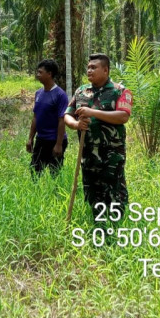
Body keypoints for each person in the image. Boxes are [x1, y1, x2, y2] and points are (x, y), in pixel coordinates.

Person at [64, 54, 133, 222]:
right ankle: (97, 221)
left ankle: (116, 224)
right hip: (88, 152)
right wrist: (76, 125)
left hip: (111, 153)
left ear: (106, 70)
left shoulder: (120, 91)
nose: (89, 70)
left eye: (94, 67)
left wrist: (92, 113)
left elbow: (123, 116)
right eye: (88, 67)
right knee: (91, 187)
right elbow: (67, 115)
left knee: (114, 187)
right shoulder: (81, 91)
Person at [27, 59, 70, 176]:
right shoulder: (38, 93)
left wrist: (58, 144)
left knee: (55, 174)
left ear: (49, 74)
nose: (38, 75)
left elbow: (62, 121)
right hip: (41, 140)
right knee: (35, 172)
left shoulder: (60, 95)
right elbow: (36, 117)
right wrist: (30, 138)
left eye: (40, 72)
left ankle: (55, 194)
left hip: (54, 140)